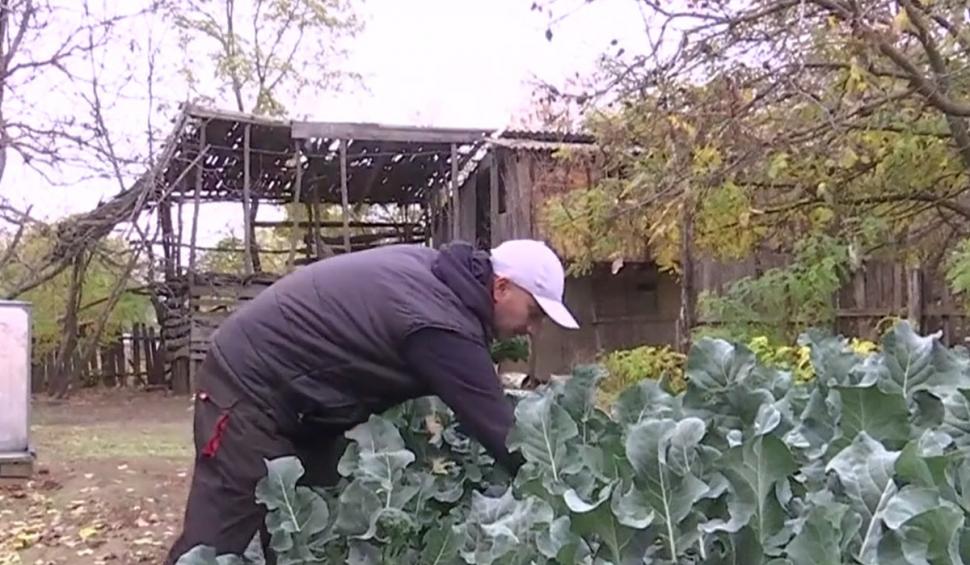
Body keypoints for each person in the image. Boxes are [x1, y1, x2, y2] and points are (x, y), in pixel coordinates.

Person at [164, 238, 579, 564]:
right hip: (249, 387)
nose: (533, 329)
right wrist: (566, 497)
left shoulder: (439, 277)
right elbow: (501, 431)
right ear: (501, 287)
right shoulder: (438, 322)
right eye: (534, 314)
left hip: (305, 407)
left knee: (307, 533)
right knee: (214, 544)